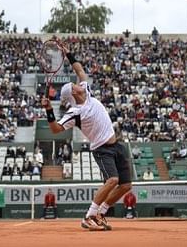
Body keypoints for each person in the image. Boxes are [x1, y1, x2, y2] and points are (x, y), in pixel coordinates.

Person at [41, 43, 131, 231]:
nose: (79, 83)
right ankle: (89, 216)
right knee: (112, 181)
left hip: (117, 145)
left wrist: (68, 54)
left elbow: (80, 70)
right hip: (102, 149)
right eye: (75, 85)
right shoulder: (75, 112)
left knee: (125, 186)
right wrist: (49, 110)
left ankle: (101, 214)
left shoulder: (87, 92)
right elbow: (56, 129)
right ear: (73, 92)